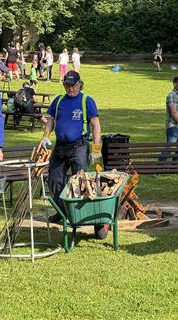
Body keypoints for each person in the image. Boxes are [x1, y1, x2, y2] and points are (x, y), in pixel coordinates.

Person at [40, 70, 105, 237]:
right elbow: (51, 120)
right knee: (54, 181)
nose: (70, 88)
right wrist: (45, 136)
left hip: (79, 147)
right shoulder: (58, 100)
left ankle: (88, 217)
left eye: (73, 85)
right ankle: (64, 212)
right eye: (66, 85)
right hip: (60, 147)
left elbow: (96, 125)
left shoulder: (86, 101)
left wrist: (96, 149)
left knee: (82, 183)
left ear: (79, 84)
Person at [160, 76, 178, 160]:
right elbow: (173, 113)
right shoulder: (172, 95)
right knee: (170, 149)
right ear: (174, 84)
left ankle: (175, 165)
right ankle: (159, 165)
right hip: (173, 127)